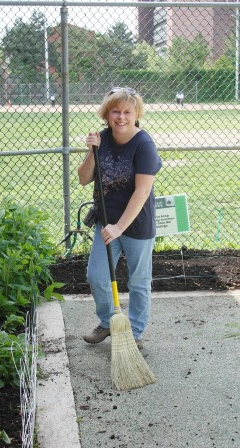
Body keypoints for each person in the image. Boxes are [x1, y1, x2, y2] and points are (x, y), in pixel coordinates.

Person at [78, 87, 162, 350]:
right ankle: (108, 322)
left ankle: (135, 333)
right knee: (97, 276)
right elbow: (83, 178)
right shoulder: (101, 138)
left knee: (138, 281)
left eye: (127, 111)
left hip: (135, 224)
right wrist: (92, 151)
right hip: (107, 221)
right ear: (107, 113)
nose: (121, 117)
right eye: (115, 111)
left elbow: (142, 191)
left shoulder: (144, 144)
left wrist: (119, 227)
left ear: (136, 114)